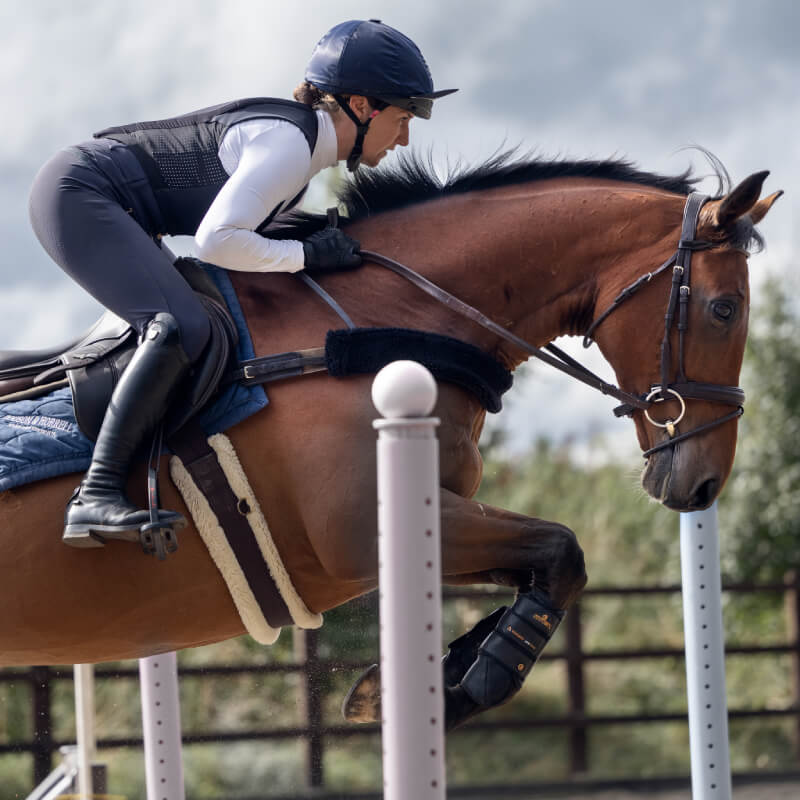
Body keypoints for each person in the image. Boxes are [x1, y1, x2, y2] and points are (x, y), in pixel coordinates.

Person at [28, 19, 456, 550]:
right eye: (403, 117)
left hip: (109, 201)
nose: (405, 137)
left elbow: (249, 247)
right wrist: (306, 254)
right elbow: (216, 241)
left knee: (200, 321)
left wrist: (320, 250)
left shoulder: (300, 157)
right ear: (363, 107)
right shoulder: (289, 148)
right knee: (179, 326)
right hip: (79, 192)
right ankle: (94, 494)